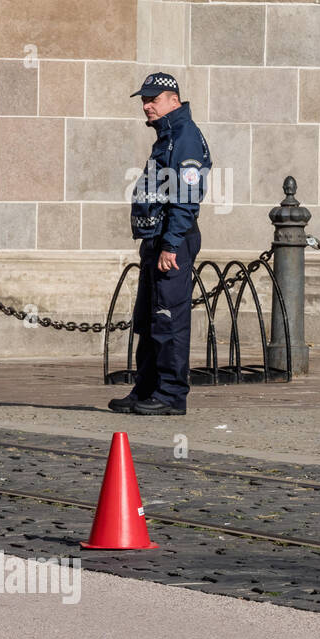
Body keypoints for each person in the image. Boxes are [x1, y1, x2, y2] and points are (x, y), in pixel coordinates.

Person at [110, 72, 210, 417]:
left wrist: (170, 245)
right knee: (149, 318)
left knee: (168, 318)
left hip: (173, 241)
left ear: (173, 100)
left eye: (153, 99)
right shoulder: (167, 135)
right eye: (144, 99)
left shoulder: (184, 137)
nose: (146, 105)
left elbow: (186, 196)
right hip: (157, 238)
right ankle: (147, 388)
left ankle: (170, 395)